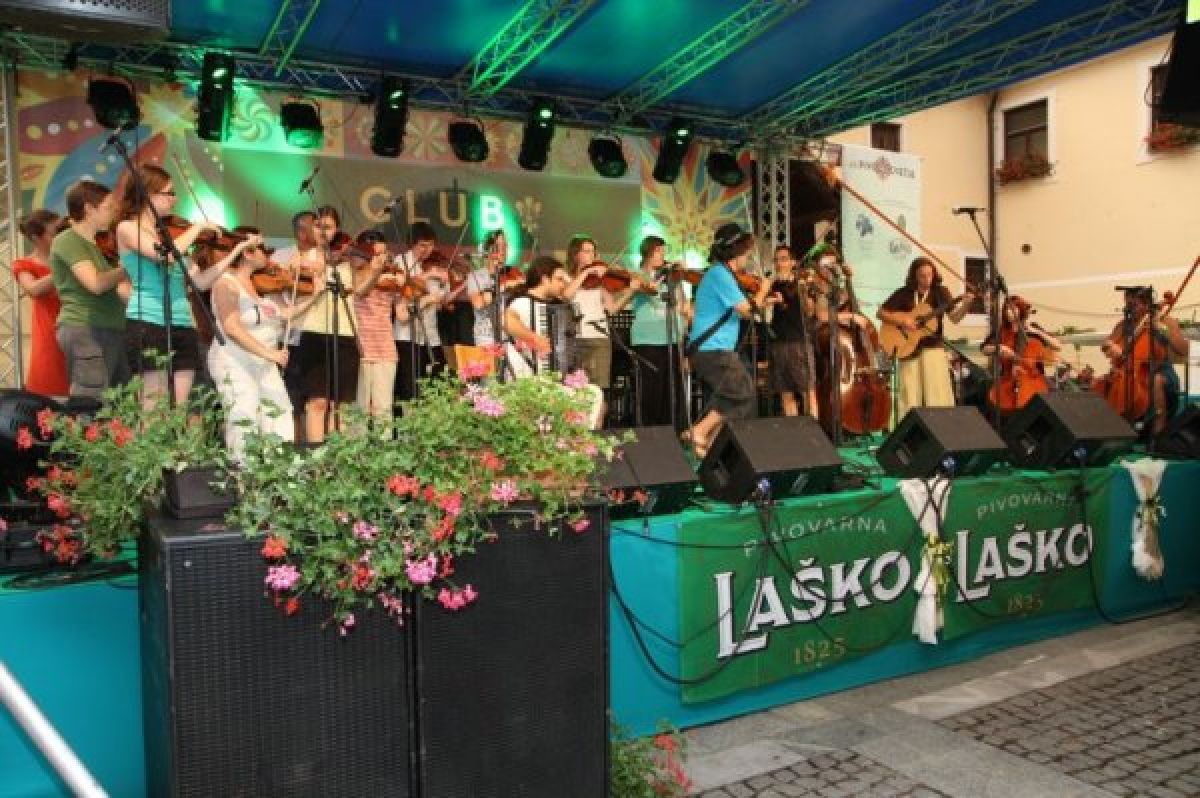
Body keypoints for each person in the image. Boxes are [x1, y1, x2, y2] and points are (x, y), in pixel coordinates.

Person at [114, 163, 224, 406]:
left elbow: (199, 281)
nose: (174, 199)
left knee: (182, 406)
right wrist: (197, 228)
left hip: (182, 322)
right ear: (148, 193)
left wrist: (234, 252)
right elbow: (164, 255)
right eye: (169, 193)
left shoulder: (167, 235)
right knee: (154, 405)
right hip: (148, 320)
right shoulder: (127, 228)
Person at [208, 230, 315, 460]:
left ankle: (280, 471)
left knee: (280, 412)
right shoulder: (226, 283)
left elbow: (285, 313)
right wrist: (271, 354)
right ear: (247, 253)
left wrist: (317, 294)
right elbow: (232, 328)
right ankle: (243, 473)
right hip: (234, 360)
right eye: (263, 249)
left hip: (263, 362)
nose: (268, 255)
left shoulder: (255, 286)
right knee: (244, 415)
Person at [681, 223, 777, 458]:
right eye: (746, 252)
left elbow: (739, 309)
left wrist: (764, 301)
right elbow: (746, 310)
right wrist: (763, 290)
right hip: (712, 349)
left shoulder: (724, 275)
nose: (748, 257)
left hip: (715, 349)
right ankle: (699, 431)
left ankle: (709, 445)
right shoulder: (719, 274)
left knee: (731, 397)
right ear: (736, 250)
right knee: (743, 393)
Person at [296, 206, 386, 443]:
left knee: (342, 404)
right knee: (318, 402)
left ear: (336, 230)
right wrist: (319, 264)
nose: (323, 232)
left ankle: (338, 455)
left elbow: (361, 291)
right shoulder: (304, 256)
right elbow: (296, 273)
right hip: (315, 332)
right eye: (318, 226)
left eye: (328, 227)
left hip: (345, 333)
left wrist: (375, 272)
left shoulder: (348, 262)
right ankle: (316, 455)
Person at [49, 180, 131, 399]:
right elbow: (95, 284)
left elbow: (115, 289)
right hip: (85, 327)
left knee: (121, 399)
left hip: (109, 327)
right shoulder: (67, 240)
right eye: (108, 206)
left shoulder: (96, 245)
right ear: (88, 209)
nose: (113, 211)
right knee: (90, 398)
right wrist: (127, 269)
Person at [877, 256, 975, 422]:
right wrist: (902, 321)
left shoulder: (941, 292)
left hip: (932, 347)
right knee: (909, 395)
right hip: (907, 348)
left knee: (936, 394)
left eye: (929, 275)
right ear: (914, 276)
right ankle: (907, 429)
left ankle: (940, 427)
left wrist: (966, 304)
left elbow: (955, 318)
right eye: (922, 276)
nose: (927, 279)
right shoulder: (904, 293)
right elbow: (881, 313)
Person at [561, 235, 638, 427]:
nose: (592, 256)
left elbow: (612, 308)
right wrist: (586, 272)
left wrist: (630, 291)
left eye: (593, 252)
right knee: (574, 392)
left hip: (599, 339)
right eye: (587, 251)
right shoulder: (566, 277)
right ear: (575, 254)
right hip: (574, 340)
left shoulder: (600, 282)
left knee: (599, 391)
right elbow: (566, 295)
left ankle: (597, 432)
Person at [1097, 286, 1189, 436]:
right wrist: (1109, 346)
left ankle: (1158, 434)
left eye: (1133, 305)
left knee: (1156, 380)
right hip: (1130, 372)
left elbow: (1183, 350)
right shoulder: (1124, 324)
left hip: (1161, 371)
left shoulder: (1166, 320)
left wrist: (1162, 329)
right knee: (1101, 384)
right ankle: (1112, 430)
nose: (1128, 309)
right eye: (1127, 304)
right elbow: (1106, 345)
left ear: (1146, 304)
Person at [628, 235, 691, 427]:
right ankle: (650, 433)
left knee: (672, 392)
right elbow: (640, 290)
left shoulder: (670, 277)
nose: (662, 255)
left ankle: (671, 431)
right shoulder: (637, 275)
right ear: (647, 252)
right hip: (647, 340)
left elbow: (682, 307)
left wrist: (678, 279)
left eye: (664, 251)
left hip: (672, 339)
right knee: (650, 392)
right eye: (658, 251)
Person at [272, 210, 321, 439]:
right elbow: (272, 291)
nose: (321, 231)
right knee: (291, 397)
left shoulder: (326, 258)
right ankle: (292, 444)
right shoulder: (281, 256)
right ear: (301, 232)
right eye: (315, 227)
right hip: (289, 334)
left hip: (317, 333)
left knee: (315, 397)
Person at [13, 209, 69, 396]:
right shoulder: (24, 264)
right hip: (50, 333)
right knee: (52, 389)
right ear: (36, 238)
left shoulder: (75, 258)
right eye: (55, 232)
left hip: (81, 330)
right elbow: (33, 289)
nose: (61, 236)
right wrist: (62, 266)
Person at [392, 222, 446, 403]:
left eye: (431, 245)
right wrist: (428, 276)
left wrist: (443, 287)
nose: (427, 250)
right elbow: (404, 284)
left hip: (428, 336)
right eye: (422, 245)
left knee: (436, 387)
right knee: (409, 390)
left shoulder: (427, 265)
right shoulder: (401, 262)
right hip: (406, 336)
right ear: (412, 243)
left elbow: (439, 302)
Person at [352, 230, 400, 426]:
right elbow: (360, 291)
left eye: (382, 253)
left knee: (384, 408)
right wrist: (375, 272)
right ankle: (357, 446)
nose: (379, 258)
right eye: (374, 253)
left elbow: (402, 311)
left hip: (386, 346)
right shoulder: (356, 272)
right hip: (361, 345)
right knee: (359, 409)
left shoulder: (392, 275)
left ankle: (384, 445)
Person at [766, 243, 817, 418]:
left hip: (799, 342)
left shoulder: (801, 284)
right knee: (785, 394)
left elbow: (810, 311)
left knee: (807, 392)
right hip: (778, 343)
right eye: (776, 260)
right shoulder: (772, 285)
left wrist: (803, 289)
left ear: (793, 262)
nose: (779, 263)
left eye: (784, 259)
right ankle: (794, 431)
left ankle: (812, 432)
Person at [467, 229, 506, 346]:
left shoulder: (513, 274)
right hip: (485, 338)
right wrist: (502, 287)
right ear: (488, 250)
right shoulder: (476, 276)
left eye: (505, 246)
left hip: (509, 336)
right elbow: (478, 303)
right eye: (498, 246)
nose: (503, 250)